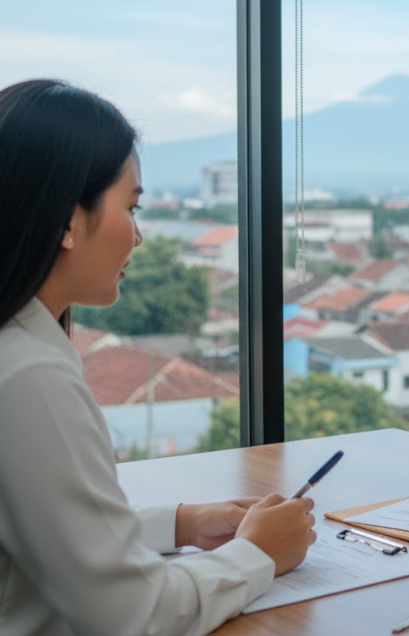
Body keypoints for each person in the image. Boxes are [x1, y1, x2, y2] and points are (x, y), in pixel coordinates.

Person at [0, 79, 316, 636]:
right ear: (68, 221)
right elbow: (134, 613)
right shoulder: (29, 375)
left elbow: (45, 531)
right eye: (131, 207)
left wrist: (184, 524)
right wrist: (258, 554)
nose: (139, 236)